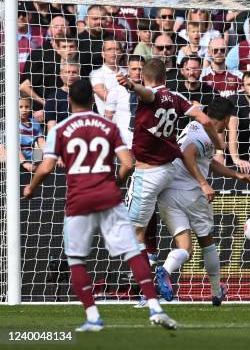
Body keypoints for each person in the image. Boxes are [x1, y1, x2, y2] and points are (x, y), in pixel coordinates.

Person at [23, 80, 177, 331]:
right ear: (93, 101)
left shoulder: (61, 129)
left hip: (78, 200)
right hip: (108, 196)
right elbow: (127, 163)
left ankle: (93, 317)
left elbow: (48, 166)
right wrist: (114, 182)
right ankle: (154, 306)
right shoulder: (108, 126)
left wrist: (30, 188)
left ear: (70, 100)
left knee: (76, 259)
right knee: (132, 251)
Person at [116, 58, 224, 254]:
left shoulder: (150, 95)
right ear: (165, 77)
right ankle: (151, 268)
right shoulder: (177, 97)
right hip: (168, 171)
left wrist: (132, 85)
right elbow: (206, 120)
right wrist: (218, 144)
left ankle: (146, 278)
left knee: (133, 233)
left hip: (147, 174)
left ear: (143, 76)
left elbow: (148, 94)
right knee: (145, 227)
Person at [155, 97, 250, 303]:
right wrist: (203, 183)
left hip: (167, 192)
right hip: (190, 193)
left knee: (185, 248)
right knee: (207, 243)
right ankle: (216, 290)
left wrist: (236, 175)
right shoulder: (207, 136)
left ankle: (165, 270)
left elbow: (206, 161)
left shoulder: (195, 124)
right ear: (227, 119)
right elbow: (188, 154)